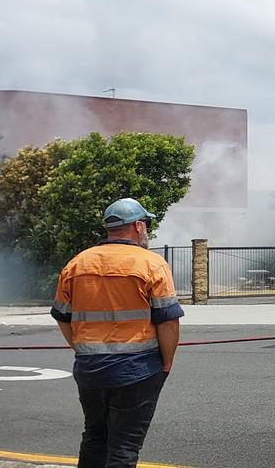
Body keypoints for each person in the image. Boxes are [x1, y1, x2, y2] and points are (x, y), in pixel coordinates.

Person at [51, 197, 184, 468]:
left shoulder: (77, 264)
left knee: (95, 437)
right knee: (124, 446)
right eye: (145, 223)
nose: (146, 229)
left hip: (90, 370)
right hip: (137, 371)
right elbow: (168, 322)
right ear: (137, 226)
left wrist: (82, 348)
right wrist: (166, 362)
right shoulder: (151, 264)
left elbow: (62, 317)